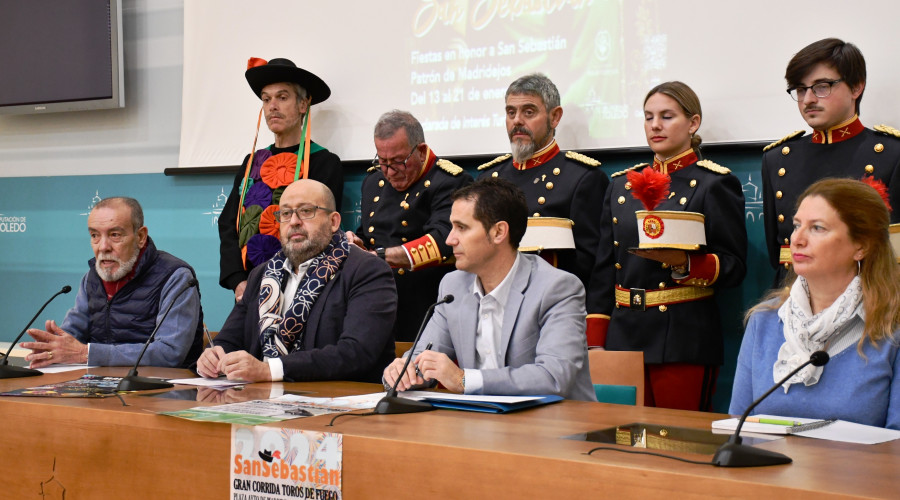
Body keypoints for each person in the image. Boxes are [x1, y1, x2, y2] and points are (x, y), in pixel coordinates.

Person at [590, 82, 747, 410]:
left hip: (682, 334)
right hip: (623, 334)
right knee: (623, 440)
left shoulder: (713, 183)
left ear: (693, 123)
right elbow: (605, 268)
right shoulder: (621, 184)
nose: (655, 125)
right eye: (648, 117)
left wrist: (685, 264)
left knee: (674, 443)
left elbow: (734, 264)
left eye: (666, 116)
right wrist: (596, 340)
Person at [383, 178, 596, 401]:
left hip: (557, 427)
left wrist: (463, 380)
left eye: (461, 228)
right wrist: (405, 372)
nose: (449, 239)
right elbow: (423, 357)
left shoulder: (557, 288)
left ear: (498, 232)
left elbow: (554, 377)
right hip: (483, 426)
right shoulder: (453, 286)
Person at [731, 178, 900, 429]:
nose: (797, 239)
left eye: (817, 228)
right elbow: (737, 427)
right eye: (797, 225)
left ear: (861, 246)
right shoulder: (764, 321)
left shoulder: (892, 327)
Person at [198, 179, 397, 383]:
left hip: (337, 404)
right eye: (285, 213)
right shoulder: (261, 274)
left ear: (334, 222)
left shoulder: (367, 271)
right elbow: (230, 338)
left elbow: (356, 352)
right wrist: (215, 355)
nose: (293, 221)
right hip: (259, 401)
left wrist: (270, 370)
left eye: (306, 211)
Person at [476, 73, 609, 348]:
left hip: (553, 319)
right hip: (493, 318)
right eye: (511, 112)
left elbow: (596, 266)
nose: (517, 121)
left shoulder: (581, 177)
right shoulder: (489, 179)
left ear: (555, 116)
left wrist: (595, 329)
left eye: (529, 112)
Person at [762, 38, 900, 286]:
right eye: (801, 89)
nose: (808, 100)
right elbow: (778, 256)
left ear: (856, 87)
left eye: (821, 87)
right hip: (791, 298)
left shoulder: (891, 154)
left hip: (867, 300)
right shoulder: (777, 159)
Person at [23, 197, 203, 368]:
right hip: (98, 386)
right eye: (95, 235)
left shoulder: (175, 277)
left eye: (115, 235)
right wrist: (53, 346)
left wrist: (87, 354)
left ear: (140, 237)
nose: (103, 247)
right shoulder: (92, 278)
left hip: (163, 391)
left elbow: (169, 353)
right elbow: (73, 335)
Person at [219, 57, 344, 302]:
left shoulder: (323, 163)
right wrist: (239, 281)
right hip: (249, 287)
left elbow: (322, 230)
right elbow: (228, 224)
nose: (272, 106)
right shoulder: (252, 162)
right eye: (266, 99)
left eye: (282, 97)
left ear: (303, 104)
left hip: (302, 288)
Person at [347, 110, 472, 341]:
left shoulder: (450, 181)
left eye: (398, 161)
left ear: (422, 150)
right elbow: (368, 234)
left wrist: (380, 257)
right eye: (382, 162)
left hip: (426, 303)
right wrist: (356, 242)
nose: (390, 171)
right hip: (377, 299)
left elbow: (443, 240)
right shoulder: (373, 182)